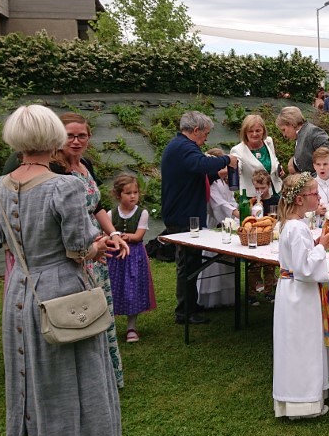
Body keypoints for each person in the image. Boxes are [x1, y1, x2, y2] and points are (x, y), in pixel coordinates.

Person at [0, 105, 121, 436]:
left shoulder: (0, 187)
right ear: (55, 139)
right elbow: (79, 246)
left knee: (31, 381)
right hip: (61, 291)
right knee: (61, 382)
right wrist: (101, 246)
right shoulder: (64, 187)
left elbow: (3, 237)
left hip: (20, 290)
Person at [56, 113, 128, 387]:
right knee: (81, 311)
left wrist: (114, 233)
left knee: (101, 309)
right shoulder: (56, 170)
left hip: (98, 248)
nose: (76, 141)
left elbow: (96, 206)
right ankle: (85, 379)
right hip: (77, 250)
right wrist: (89, 245)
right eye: (69, 136)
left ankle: (106, 375)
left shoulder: (85, 164)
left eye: (82, 136)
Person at [273, 173, 329, 418]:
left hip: (291, 290)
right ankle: (303, 402)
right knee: (303, 343)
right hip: (300, 294)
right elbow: (304, 269)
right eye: (314, 193)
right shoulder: (297, 228)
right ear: (300, 199)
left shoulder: (291, 225)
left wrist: (316, 244)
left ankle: (297, 399)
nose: (319, 197)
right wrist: (322, 246)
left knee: (295, 343)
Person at [161, 110, 237, 325]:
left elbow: (195, 175)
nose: (206, 139)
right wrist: (227, 159)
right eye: (205, 134)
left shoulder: (180, 147)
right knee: (187, 263)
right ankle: (184, 311)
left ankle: (190, 305)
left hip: (185, 213)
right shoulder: (184, 147)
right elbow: (201, 165)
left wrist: (216, 174)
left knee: (192, 262)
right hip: (183, 215)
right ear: (196, 130)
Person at [105, 174, 156, 343]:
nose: (133, 196)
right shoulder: (110, 214)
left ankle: (131, 327)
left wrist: (122, 236)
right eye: (128, 193)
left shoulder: (142, 213)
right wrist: (115, 238)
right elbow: (106, 235)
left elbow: (138, 236)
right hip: (115, 257)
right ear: (118, 194)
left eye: (135, 192)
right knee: (113, 288)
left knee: (133, 289)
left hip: (134, 256)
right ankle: (108, 325)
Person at [197, 149, 241, 309]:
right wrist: (235, 213)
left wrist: (237, 211)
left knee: (226, 263)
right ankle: (210, 297)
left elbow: (231, 200)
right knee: (213, 262)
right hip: (215, 223)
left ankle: (227, 297)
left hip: (228, 222)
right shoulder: (212, 183)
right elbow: (218, 203)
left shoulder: (225, 182)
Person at [276, 106, 329, 179]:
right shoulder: (301, 135)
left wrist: (310, 181)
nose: (284, 135)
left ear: (291, 123)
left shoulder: (313, 132)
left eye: (284, 130)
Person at [230, 114, 283, 197]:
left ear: (263, 131)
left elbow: (274, 160)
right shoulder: (237, 150)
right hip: (253, 196)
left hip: (275, 191)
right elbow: (236, 170)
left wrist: (279, 170)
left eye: (258, 131)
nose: (254, 134)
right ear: (245, 132)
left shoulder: (268, 141)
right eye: (250, 131)